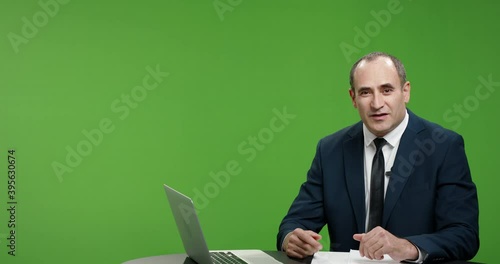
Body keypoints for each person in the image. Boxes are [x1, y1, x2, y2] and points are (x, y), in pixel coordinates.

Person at [277, 52, 479, 263]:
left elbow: (464, 234)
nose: (377, 103)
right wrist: (291, 238)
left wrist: (407, 247)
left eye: (387, 90)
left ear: (405, 91)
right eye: (365, 92)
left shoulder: (444, 146)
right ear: (353, 98)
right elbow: (295, 222)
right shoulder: (330, 150)